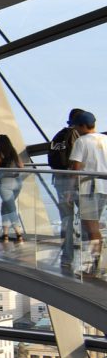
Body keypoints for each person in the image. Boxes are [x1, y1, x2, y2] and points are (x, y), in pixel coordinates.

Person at [69, 110, 107, 275]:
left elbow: (75, 168)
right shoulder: (105, 139)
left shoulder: (81, 141)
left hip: (88, 189)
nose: (74, 129)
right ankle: (95, 262)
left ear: (83, 126)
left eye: (76, 126)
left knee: (91, 227)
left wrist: (70, 190)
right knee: (94, 225)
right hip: (104, 187)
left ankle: (92, 266)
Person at [49, 108, 84, 271]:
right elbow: (79, 161)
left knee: (66, 221)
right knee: (88, 220)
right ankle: (88, 259)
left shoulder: (58, 135)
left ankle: (67, 258)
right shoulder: (79, 136)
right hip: (76, 182)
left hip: (59, 180)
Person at [0, 134, 26, 242]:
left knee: (11, 209)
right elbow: (21, 166)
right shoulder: (13, 151)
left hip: (5, 184)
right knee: (5, 207)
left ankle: (18, 234)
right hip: (17, 183)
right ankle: (5, 234)